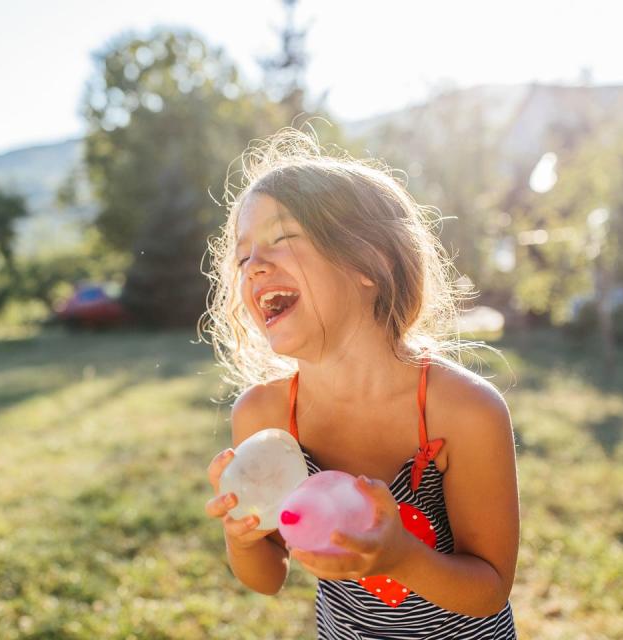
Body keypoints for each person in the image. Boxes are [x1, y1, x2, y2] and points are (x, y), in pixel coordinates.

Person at [201, 128, 519, 638]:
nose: (254, 266)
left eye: (281, 240)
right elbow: (269, 576)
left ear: (368, 262)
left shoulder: (463, 411)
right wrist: (242, 538)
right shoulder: (264, 417)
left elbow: (489, 590)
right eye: (242, 258)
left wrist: (400, 558)